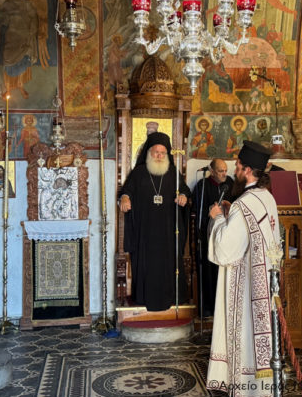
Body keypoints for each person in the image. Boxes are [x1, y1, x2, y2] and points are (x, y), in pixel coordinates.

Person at [206, 141, 280, 395]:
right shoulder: (267, 198)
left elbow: (227, 250)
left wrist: (217, 217)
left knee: (245, 337)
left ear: (248, 170)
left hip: (246, 286)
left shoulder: (243, 204)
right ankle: (263, 387)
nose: (235, 169)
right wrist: (230, 215)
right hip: (265, 283)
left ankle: (247, 388)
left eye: (238, 166)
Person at [118, 132, 190, 311]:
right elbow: (126, 191)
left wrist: (183, 196)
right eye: (156, 152)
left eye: (162, 153)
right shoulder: (139, 172)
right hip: (146, 232)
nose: (159, 156)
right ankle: (144, 297)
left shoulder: (172, 173)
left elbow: (185, 190)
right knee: (147, 265)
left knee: (168, 264)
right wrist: (125, 198)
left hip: (167, 232)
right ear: (149, 152)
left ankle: (170, 297)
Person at [191, 158, 233, 317]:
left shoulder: (230, 184)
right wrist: (210, 212)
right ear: (212, 171)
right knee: (208, 272)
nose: (224, 174)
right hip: (207, 236)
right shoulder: (202, 186)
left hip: (227, 236)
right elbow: (196, 210)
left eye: (225, 170)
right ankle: (208, 307)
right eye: (221, 171)